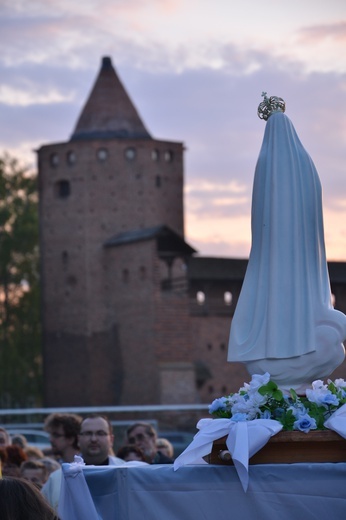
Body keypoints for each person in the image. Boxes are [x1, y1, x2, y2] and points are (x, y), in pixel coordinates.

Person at [42, 414, 125, 511]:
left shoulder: (126, 472)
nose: (94, 439)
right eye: (88, 433)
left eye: (100, 433)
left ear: (111, 439)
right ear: (78, 439)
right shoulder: (57, 479)